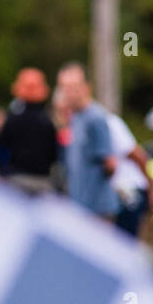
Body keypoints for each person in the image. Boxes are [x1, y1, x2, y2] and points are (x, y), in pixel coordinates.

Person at [56, 62, 118, 220]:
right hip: (80, 208)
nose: (68, 93)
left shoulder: (95, 118)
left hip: (98, 211)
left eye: (72, 88)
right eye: (64, 88)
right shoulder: (75, 117)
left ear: (86, 87)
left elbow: (110, 164)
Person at [0, 67, 60, 195]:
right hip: (41, 181)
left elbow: (1, 150)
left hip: (14, 180)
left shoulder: (11, 118)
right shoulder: (48, 121)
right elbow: (54, 154)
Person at [106, 111, 153, 237]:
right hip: (115, 193)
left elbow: (139, 156)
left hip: (129, 191)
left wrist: (151, 190)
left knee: (125, 243)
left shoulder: (111, 123)